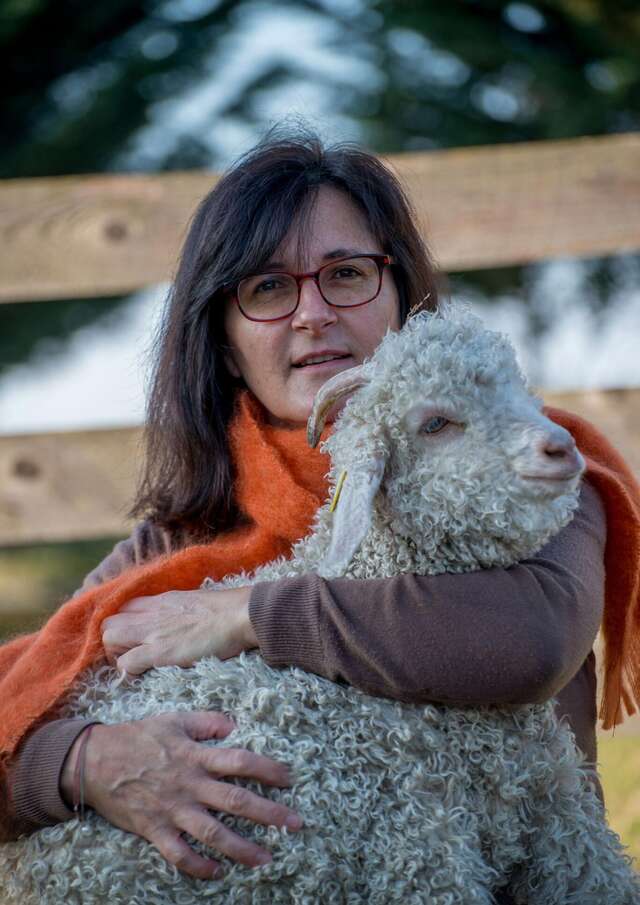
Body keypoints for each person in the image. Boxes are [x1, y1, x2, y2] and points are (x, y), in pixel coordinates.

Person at [1, 128, 636, 898]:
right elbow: (25, 706)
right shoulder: (183, 539)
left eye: (346, 273)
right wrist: (82, 762)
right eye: (267, 288)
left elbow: (528, 637)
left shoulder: (529, 461)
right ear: (226, 342)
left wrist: (252, 612)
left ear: (404, 297)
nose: (312, 312)